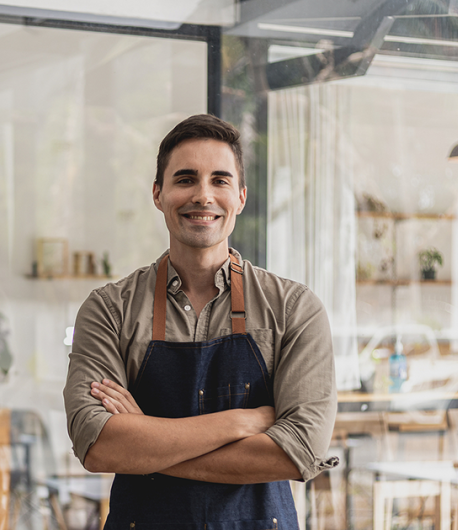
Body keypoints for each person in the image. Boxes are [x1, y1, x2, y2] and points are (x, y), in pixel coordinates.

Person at [63, 114, 338, 528]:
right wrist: (240, 422)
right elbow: (98, 445)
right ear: (158, 194)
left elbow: (296, 450)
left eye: (220, 180)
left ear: (241, 197)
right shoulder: (109, 309)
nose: (203, 196)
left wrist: (145, 442)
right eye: (186, 179)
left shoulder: (293, 308)